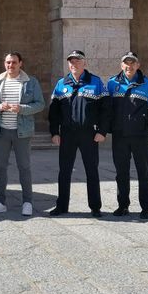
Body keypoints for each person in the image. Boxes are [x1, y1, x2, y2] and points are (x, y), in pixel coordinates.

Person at [48, 50, 110, 217]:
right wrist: (55, 132)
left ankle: (95, 207)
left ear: (85, 63)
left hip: (89, 134)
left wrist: (102, 131)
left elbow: (105, 109)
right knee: (64, 171)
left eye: (77, 61)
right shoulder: (62, 83)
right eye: (71, 62)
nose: (74, 64)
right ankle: (61, 206)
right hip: (67, 134)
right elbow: (54, 111)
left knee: (92, 170)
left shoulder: (96, 82)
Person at [0, 52, 45, 216]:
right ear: (5, 64)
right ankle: (0, 202)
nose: (11, 66)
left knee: (24, 167)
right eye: (8, 63)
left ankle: (27, 202)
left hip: (21, 132)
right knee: (0, 167)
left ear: (20, 63)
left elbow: (40, 104)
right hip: (1, 131)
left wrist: (22, 109)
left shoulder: (31, 82)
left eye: (14, 63)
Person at [106, 51, 148, 219]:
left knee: (144, 171)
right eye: (126, 63)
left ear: (138, 65)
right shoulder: (112, 83)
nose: (129, 66)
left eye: (132, 63)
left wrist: (139, 122)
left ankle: (146, 207)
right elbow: (108, 108)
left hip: (140, 135)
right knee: (121, 172)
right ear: (121, 65)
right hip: (120, 134)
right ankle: (123, 205)